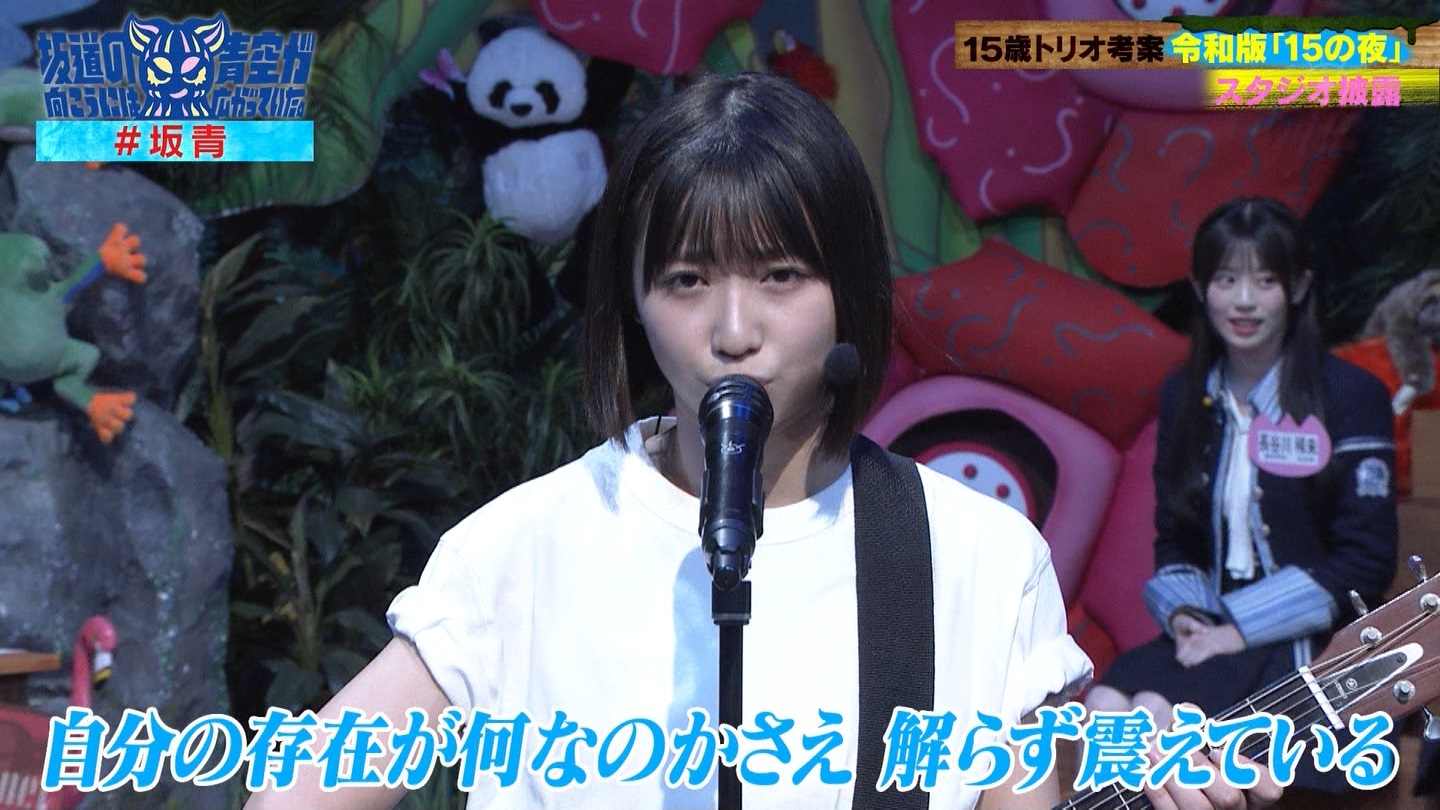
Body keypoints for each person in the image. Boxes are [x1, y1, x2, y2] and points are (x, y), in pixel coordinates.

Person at [247, 73, 1277, 809]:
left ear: (849, 294)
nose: (733, 331)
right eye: (686, 280)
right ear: (634, 300)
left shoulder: (977, 557)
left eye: (781, 276)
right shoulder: (524, 546)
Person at [1084, 196, 1399, 794]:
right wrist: (1183, 617)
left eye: (1266, 281)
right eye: (1227, 280)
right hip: (1207, 633)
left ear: (1299, 287)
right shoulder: (1184, 396)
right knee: (1104, 706)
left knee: (1155, 714)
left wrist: (1235, 629)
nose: (1245, 301)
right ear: (1200, 288)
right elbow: (1174, 538)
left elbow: (1366, 563)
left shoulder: (1350, 395)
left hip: (1310, 642)